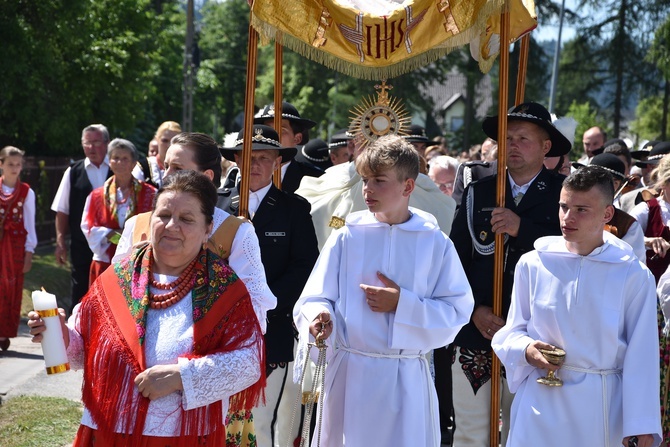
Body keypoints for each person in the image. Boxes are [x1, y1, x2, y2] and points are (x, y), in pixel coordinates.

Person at [28, 170, 266, 446]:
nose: (171, 226)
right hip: (107, 430)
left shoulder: (224, 289)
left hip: (180, 437)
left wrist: (182, 377)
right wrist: (58, 333)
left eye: (186, 219)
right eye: (163, 215)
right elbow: (82, 349)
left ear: (208, 229)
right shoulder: (117, 277)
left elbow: (249, 362)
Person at [293, 135, 474, 447]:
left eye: (379, 180)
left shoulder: (434, 243)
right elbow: (314, 295)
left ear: (407, 187)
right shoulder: (346, 238)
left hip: (404, 378)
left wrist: (402, 304)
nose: (368, 189)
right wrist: (318, 316)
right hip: (350, 376)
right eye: (365, 180)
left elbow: (457, 312)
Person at [492, 166, 661, 446]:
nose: (567, 218)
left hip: (600, 404)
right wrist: (526, 349)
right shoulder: (534, 263)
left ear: (607, 214)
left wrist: (641, 423)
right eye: (563, 206)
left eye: (581, 209)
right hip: (539, 402)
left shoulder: (631, 273)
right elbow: (512, 330)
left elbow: (642, 353)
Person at [448, 102, 571, 447]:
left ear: (546, 147)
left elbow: (575, 256)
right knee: (472, 433)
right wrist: (474, 310)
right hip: (478, 332)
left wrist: (523, 229)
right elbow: (454, 262)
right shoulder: (479, 192)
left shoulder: (565, 194)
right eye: (508, 138)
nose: (513, 145)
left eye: (523, 138)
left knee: (524, 433)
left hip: (537, 334)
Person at [218, 124, 319, 447]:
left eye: (265, 158)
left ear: (278, 163)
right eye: (249, 157)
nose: (256, 165)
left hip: (269, 330)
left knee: (257, 420)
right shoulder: (217, 206)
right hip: (216, 327)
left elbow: (304, 265)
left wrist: (263, 300)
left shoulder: (294, 209)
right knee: (216, 419)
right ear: (236, 159)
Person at [52, 124, 113, 314]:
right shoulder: (73, 171)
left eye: (96, 142)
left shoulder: (119, 167)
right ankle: (76, 337)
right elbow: (62, 210)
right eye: (87, 143)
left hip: (114, 244)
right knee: (80, 291)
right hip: (81, 244)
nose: (91, 148)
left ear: (106, 143)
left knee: (111, 292)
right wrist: (60, 241)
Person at [81, 138, 157, 285]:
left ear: (134, 163)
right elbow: (88, 227)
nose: (120, 163)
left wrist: (124, 236)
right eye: (115, 158)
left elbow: (154, 225)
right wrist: (118, 236)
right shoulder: (97, 195)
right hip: (104, 263)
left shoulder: (151, 194)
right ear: (109, 161)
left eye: (125, 159)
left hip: (138, 263)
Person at [572, 153, 646, 262]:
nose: (588, 184)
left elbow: (635, 266)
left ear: (616, 184)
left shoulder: (627, 225)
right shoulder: (567, 212)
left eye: (596, 181)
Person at [0, 146, 36, 352]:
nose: (15, 168)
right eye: (10, 164)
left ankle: (4, 332)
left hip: (15, 247)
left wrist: (29, 252)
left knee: (10, 288)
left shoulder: (26, 192)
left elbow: (29, 224)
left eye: (18, 164)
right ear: (1, 165)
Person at [254, 101, 323, 194]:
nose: (272, 137)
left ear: (297, 138)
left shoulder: (314, 178)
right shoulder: (243, 174)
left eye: (281, 131)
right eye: (268, 130)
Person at [629, 151, 670, 282]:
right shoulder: (647, 209)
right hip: (652, 288)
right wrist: (647, 241)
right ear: (663, 183)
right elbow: (621, 239)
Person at [142, 121, 182, 188]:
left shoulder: (187, 167)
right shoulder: (143, 167)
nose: (169, 145)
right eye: (165, 141)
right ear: (157, 140)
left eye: (174, 141)